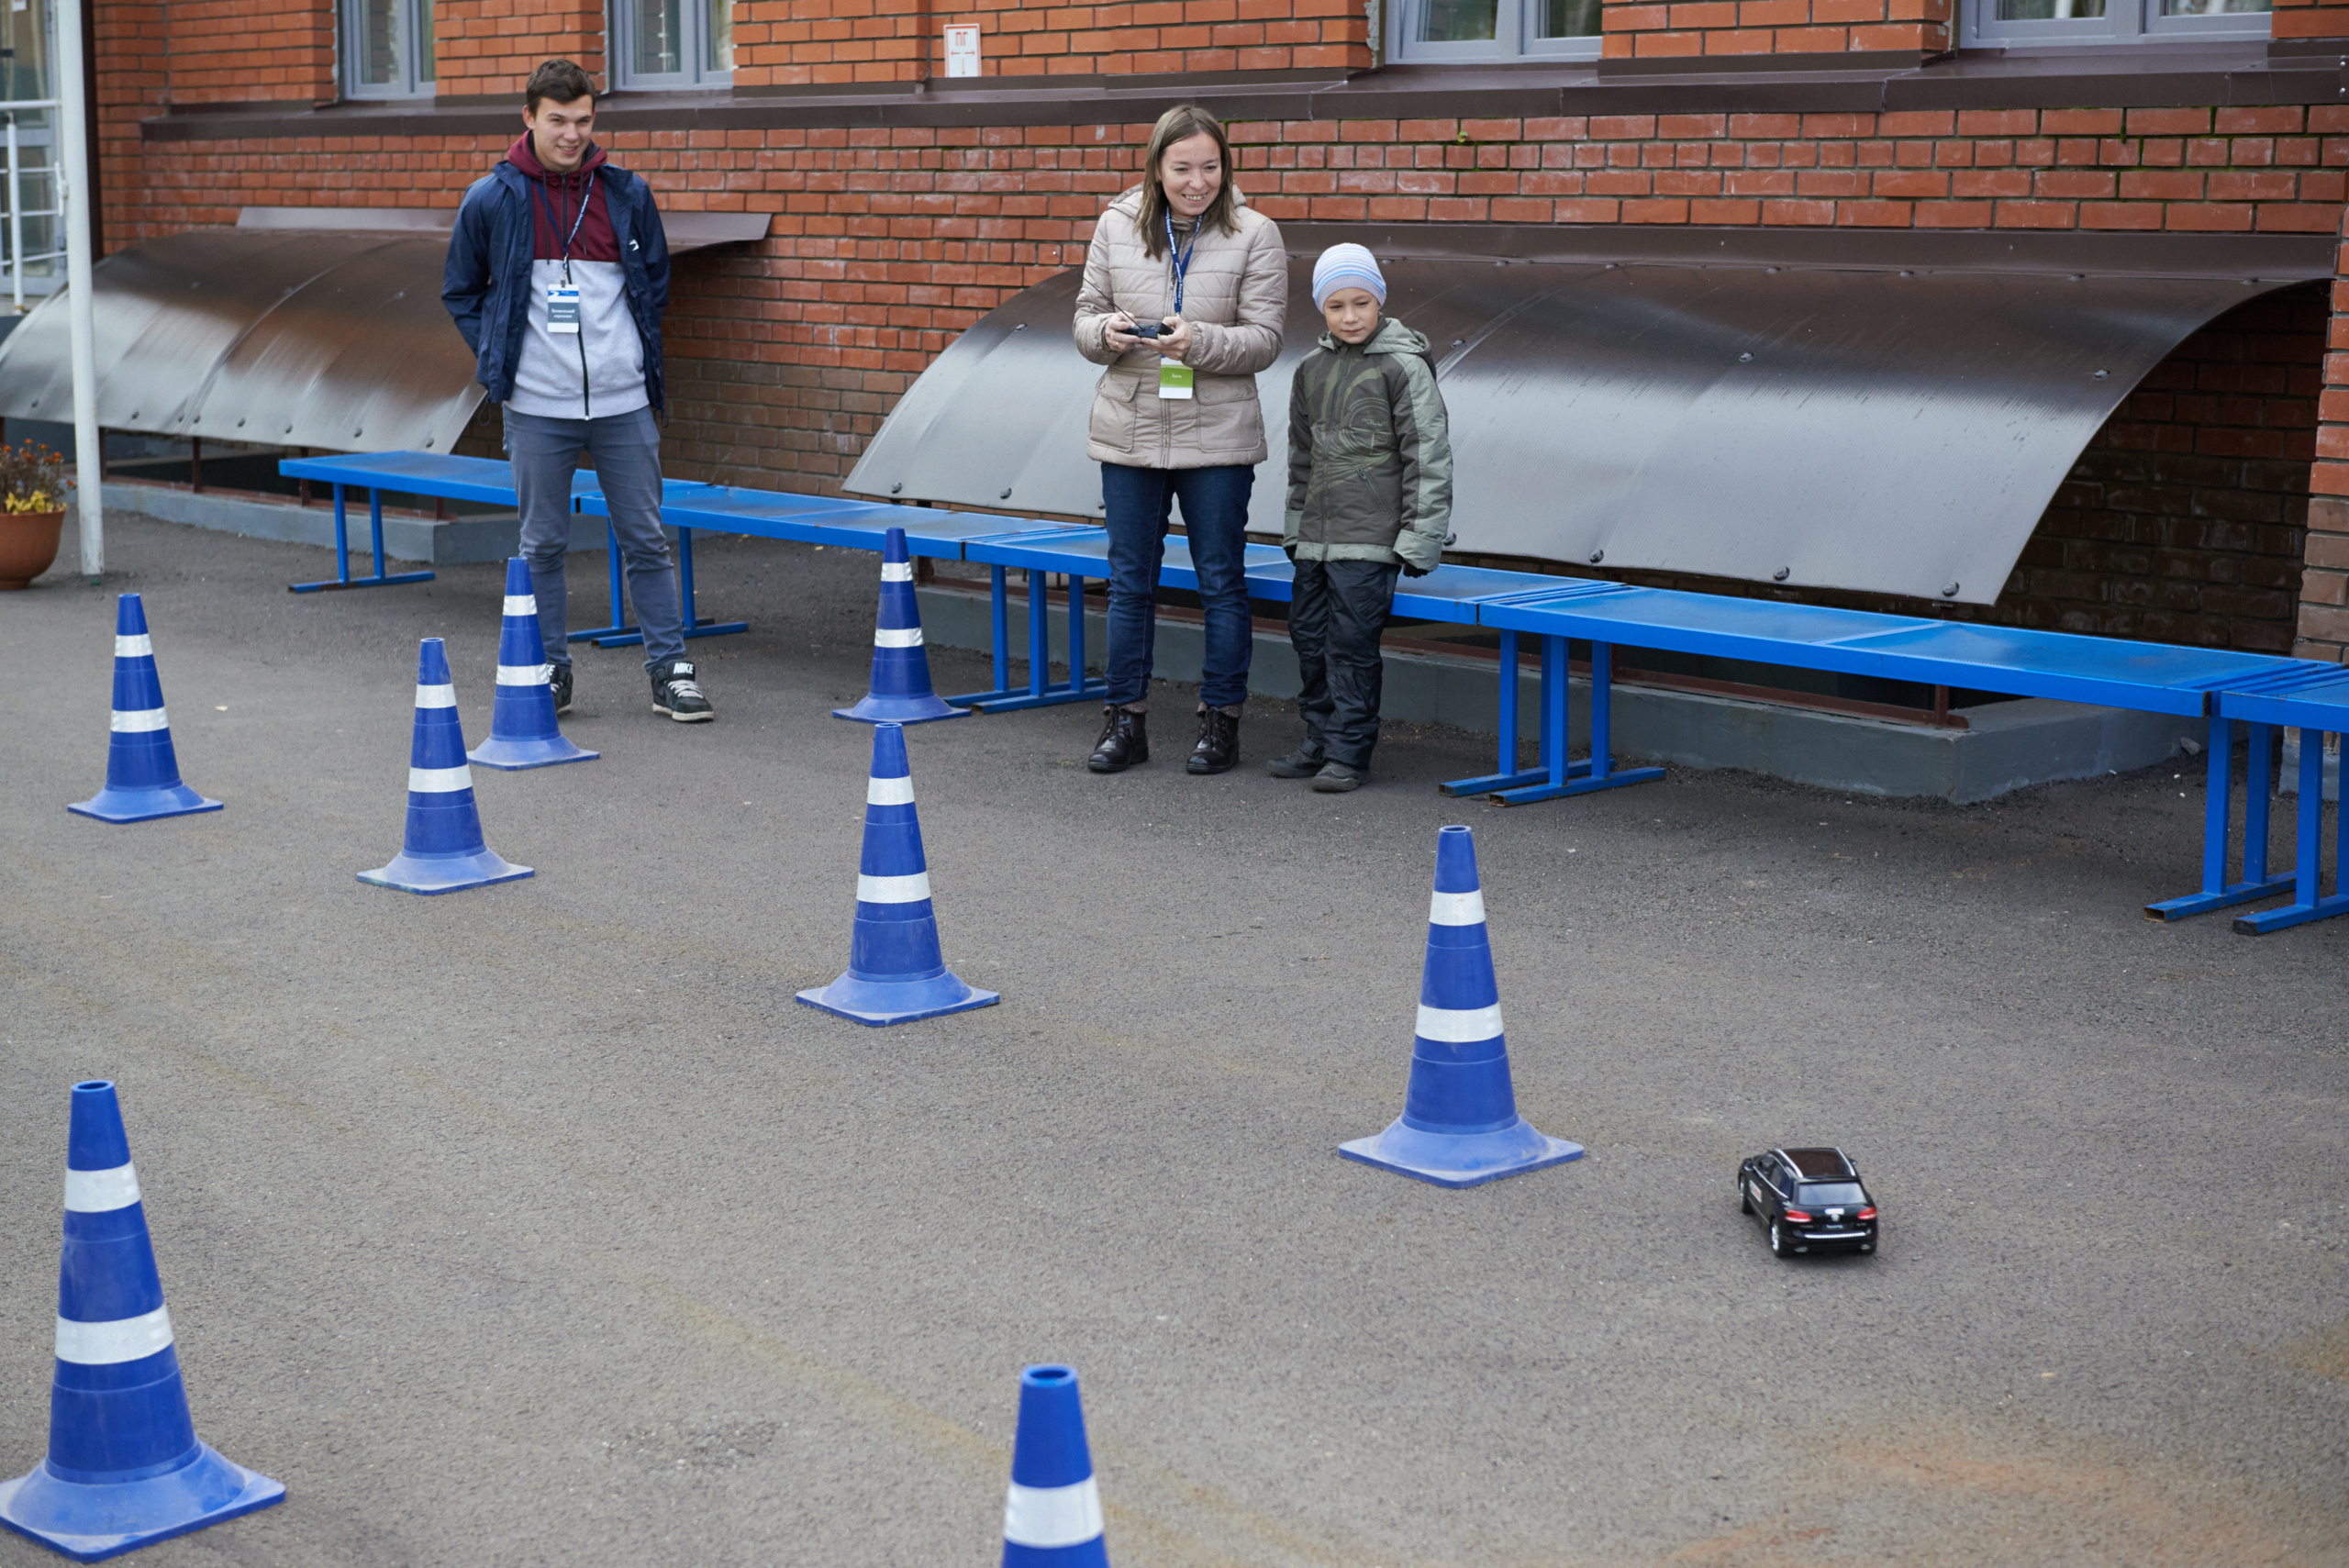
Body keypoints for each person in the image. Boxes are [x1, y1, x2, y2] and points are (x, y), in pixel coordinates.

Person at [442, 57, 713, 723]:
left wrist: (623, 353)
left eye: (584, 121)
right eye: (558, 120)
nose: (572, 134)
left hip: (623, 401)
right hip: (537, 406)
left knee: (645, 538)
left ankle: (671, 671)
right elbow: (460, 291)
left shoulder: (626, 193)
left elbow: (652, 283)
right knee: (542, 545)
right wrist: (507, 357)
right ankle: (551, 670)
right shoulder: (492, 199)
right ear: (529, 117)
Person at [1072, 104, 1286, 775]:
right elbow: (1083, 318)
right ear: (1157, 169)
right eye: (1183, 168)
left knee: (1220, 579)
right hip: (1130, 427)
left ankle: (1220, 722)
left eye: (1210, 167)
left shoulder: (1256, 233)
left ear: (1226, 167)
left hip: (1218, 434)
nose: (1198, 182)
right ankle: (1124, 721)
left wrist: (1200, 342)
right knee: (1129, 581)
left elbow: (1266, 339)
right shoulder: (1115, 224)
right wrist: (1104, 333)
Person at [1269, 244, 1453, 793]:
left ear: (1380, 302)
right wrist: (1295, 529)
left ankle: (1349, 753)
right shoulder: (1310, 369)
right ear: (1321, 309)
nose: (1349, 316)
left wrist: (1419, 538)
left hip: (1371, 541)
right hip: (1316, 541)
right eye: (1336, 306)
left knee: (1351, 647)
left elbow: (1428, 456)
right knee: (1308, 638)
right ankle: (1320, 738)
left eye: (1361, 303)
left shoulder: (1404, 367)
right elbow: (1302, 458)